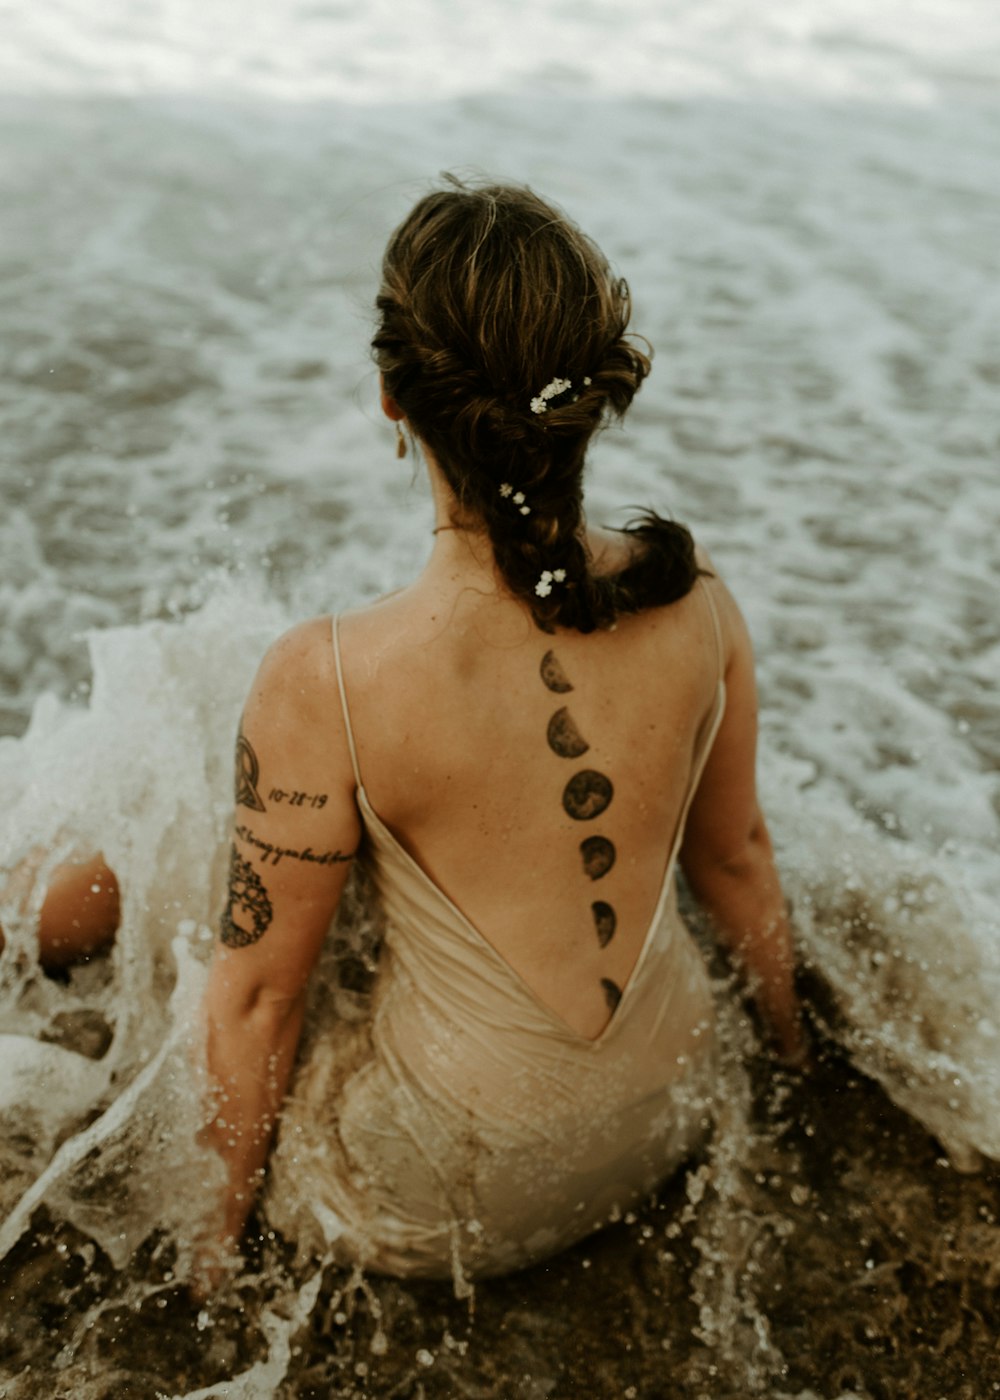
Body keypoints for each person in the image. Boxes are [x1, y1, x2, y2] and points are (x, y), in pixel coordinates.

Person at [3, 179, 804, 1283]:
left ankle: (18, 927)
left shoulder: (329, 675)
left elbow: (255, 998)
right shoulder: (693, 591)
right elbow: (737, 857)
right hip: (670, 1106)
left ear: (392, 396)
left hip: (448, 1186)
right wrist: (793, 1065)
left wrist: (210, 1254)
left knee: (187, 824)